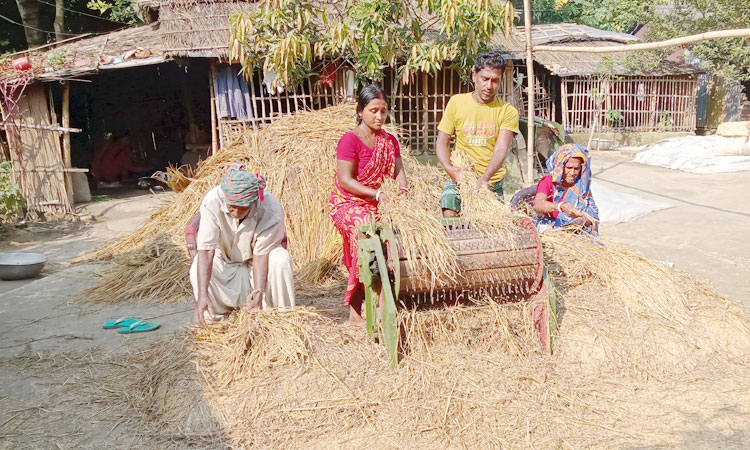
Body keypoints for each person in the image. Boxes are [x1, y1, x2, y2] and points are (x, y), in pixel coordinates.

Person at [328, 85, 408, 325]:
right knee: (363, 227)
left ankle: (391, 297)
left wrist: (402, 194)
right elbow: (346, 180)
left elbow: (400, 173)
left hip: (381, 201)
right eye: (374, 110)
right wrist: (377, 194)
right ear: (361, 111)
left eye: (383, 111)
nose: (379, 117)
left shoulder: (389, 141)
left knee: (398, 230)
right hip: (350, 202)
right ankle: (355, 310)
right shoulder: (349, 140)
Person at [192, 163, 296, 326]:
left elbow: (261, 254)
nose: (236, 213)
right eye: (232, 207)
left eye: (243, 208)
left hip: (257, 267)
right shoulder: (212, 200)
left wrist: (258, 291)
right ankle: (212, 316)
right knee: (198, 263)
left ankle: (283, 318)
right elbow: (206, 250)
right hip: (226, 265)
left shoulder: (270, 206)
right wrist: (202, 295)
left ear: (254, 201)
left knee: (281, 259)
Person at [436, 51, 520, 217]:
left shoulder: (507, 111)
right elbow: (441, 142)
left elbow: (501, 149)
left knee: (490, 226)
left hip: (491, 180)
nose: (489, 86)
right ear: (474, 75)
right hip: (461, 177)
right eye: (485, 79)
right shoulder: (457, 102)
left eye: (495, 81)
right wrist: (449, 168)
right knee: (449, 212)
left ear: (501, 80)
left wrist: (485, 178)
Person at [532, 143, 599, 235]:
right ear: (560, 166)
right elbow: (538, 204)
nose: (572, 173)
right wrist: (561, 206)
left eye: (576, 168)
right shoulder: (548, 181)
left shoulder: (582, 186)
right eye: (568, 167)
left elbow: (593, 214)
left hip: (576, 232)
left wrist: (582, 220)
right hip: (550, 230)